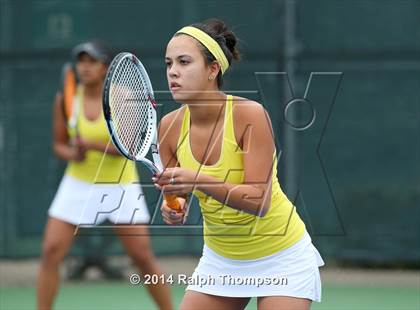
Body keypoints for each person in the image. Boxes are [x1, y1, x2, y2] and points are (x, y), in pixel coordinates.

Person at [153, 19, 324, 310]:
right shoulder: (169, 126)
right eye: (169, 63)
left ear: (212, 69)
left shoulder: (249, 115)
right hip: (221, 261)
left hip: (282, 257)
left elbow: (260, 200)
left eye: (184, 62)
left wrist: (196, 179)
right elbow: (178, 198)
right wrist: (174, 207)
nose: (173, 72)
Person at [37, 41, 173, 310]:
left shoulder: (122, 97)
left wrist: (93, 146)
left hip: (119, 185)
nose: (85, 67)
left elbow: (130, 147)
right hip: (77, 183)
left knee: (142, 257)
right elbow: (59, 144)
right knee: (51, 252)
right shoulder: (65, 99)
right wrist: (71, 154)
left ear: (106, 68)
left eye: (92, 61)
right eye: (81, 61)